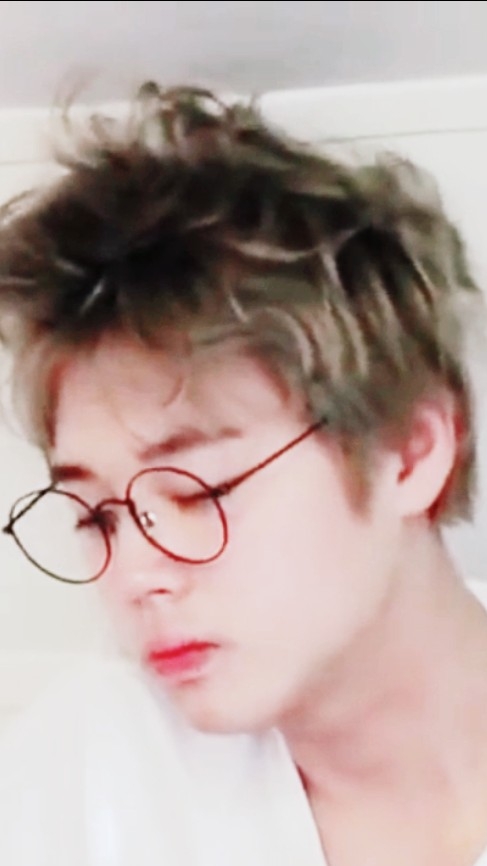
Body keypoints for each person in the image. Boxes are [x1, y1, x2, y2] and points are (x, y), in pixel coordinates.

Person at [0, 81, 486, 866]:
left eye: (196, 494)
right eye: (96, 516)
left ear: (409, 450)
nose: (135, 577)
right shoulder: (81, 778)